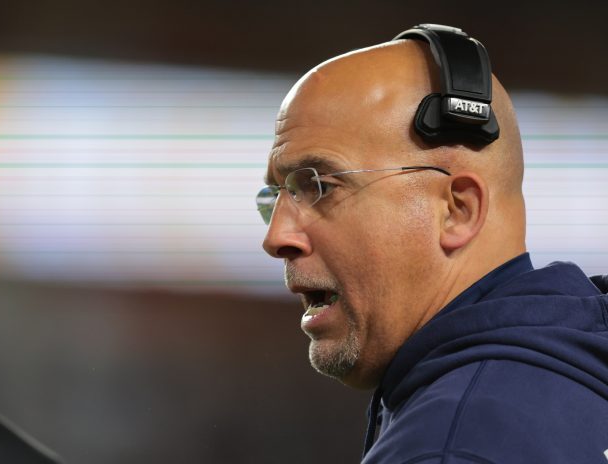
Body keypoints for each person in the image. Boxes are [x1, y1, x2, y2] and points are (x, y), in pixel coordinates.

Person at [257, 25, 608, 463]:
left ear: (457, 210)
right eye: (275, 197)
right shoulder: (577, 375)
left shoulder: (450, 444)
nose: (276, 238)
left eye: (319, 187)